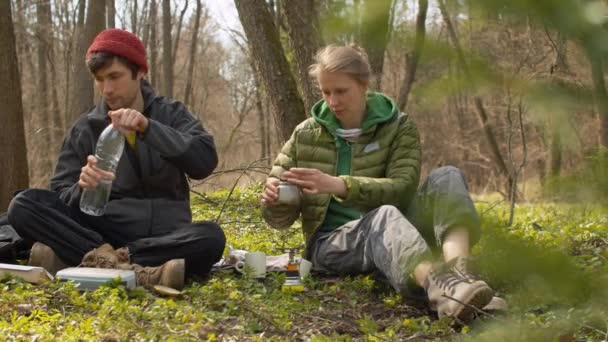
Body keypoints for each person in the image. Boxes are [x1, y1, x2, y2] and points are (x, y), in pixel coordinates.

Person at [262, 44, 505, 322]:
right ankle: (442, 290)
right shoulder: (305, 134)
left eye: (341, 91)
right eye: (325, 92)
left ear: (364, 85)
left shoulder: (399, 126)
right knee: (383, 216)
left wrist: (340, 185)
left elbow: (403, 188)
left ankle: (460, 277)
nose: (332, 101)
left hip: (399, 230)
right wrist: (274, 200)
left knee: (447, 176)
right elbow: (279, 219)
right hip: (332, 244)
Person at [7, 29, 225, 290]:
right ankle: (137, 269)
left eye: (115, 77)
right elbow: (60, 194)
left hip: (165, 236)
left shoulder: (172, 114)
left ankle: (84, 261)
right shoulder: (86, 127)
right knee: (23, 205)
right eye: (100, 80)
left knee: (211, 237)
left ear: (140, 72)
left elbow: (204, 161)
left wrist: (150, 129)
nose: (107, 89)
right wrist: (81, 187)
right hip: (102, 233)